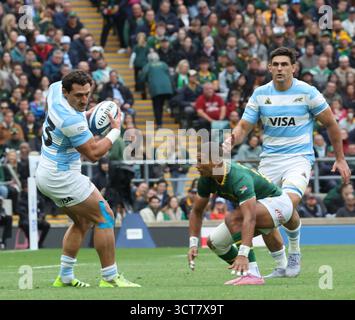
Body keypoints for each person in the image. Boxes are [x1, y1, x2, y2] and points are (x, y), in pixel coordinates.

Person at [223, 47, 351, 278]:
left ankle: (294, 252)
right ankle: (281, 264)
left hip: (298, 159)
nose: (280, 68)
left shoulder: (308, 92)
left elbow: (332, 124)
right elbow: (244, 126)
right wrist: (230, 141)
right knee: (265, 213)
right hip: (269, 160)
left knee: (285, 204)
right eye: (276, 64)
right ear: (269, 68)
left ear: (294, 67)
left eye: (285, 64)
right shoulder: (260, 94)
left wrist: (340, 158)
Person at [35, 70, 140, 288]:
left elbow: (80, 117)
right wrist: (115, 132)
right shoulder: (71, 118)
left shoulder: (55, 90)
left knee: (82, 221)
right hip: (61, 175)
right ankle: (110, 277)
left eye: (87, 94)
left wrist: (90, 113)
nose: (84, 100)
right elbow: (93, 154)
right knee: (105, 215)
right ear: (66, 92)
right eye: (78, 96)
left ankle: (64, 276)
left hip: (47, 171)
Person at [188, 142, 294, 285]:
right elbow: (197, 211)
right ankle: (248, 270)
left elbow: (249, 218)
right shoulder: (206, 179)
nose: (197, 165)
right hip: (258, 209)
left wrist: (243, 254)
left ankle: (252, 273)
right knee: (215, 243)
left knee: (234, 218)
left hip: (279, 204)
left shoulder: (238, 176)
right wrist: (193, 243)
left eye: (201, 160)